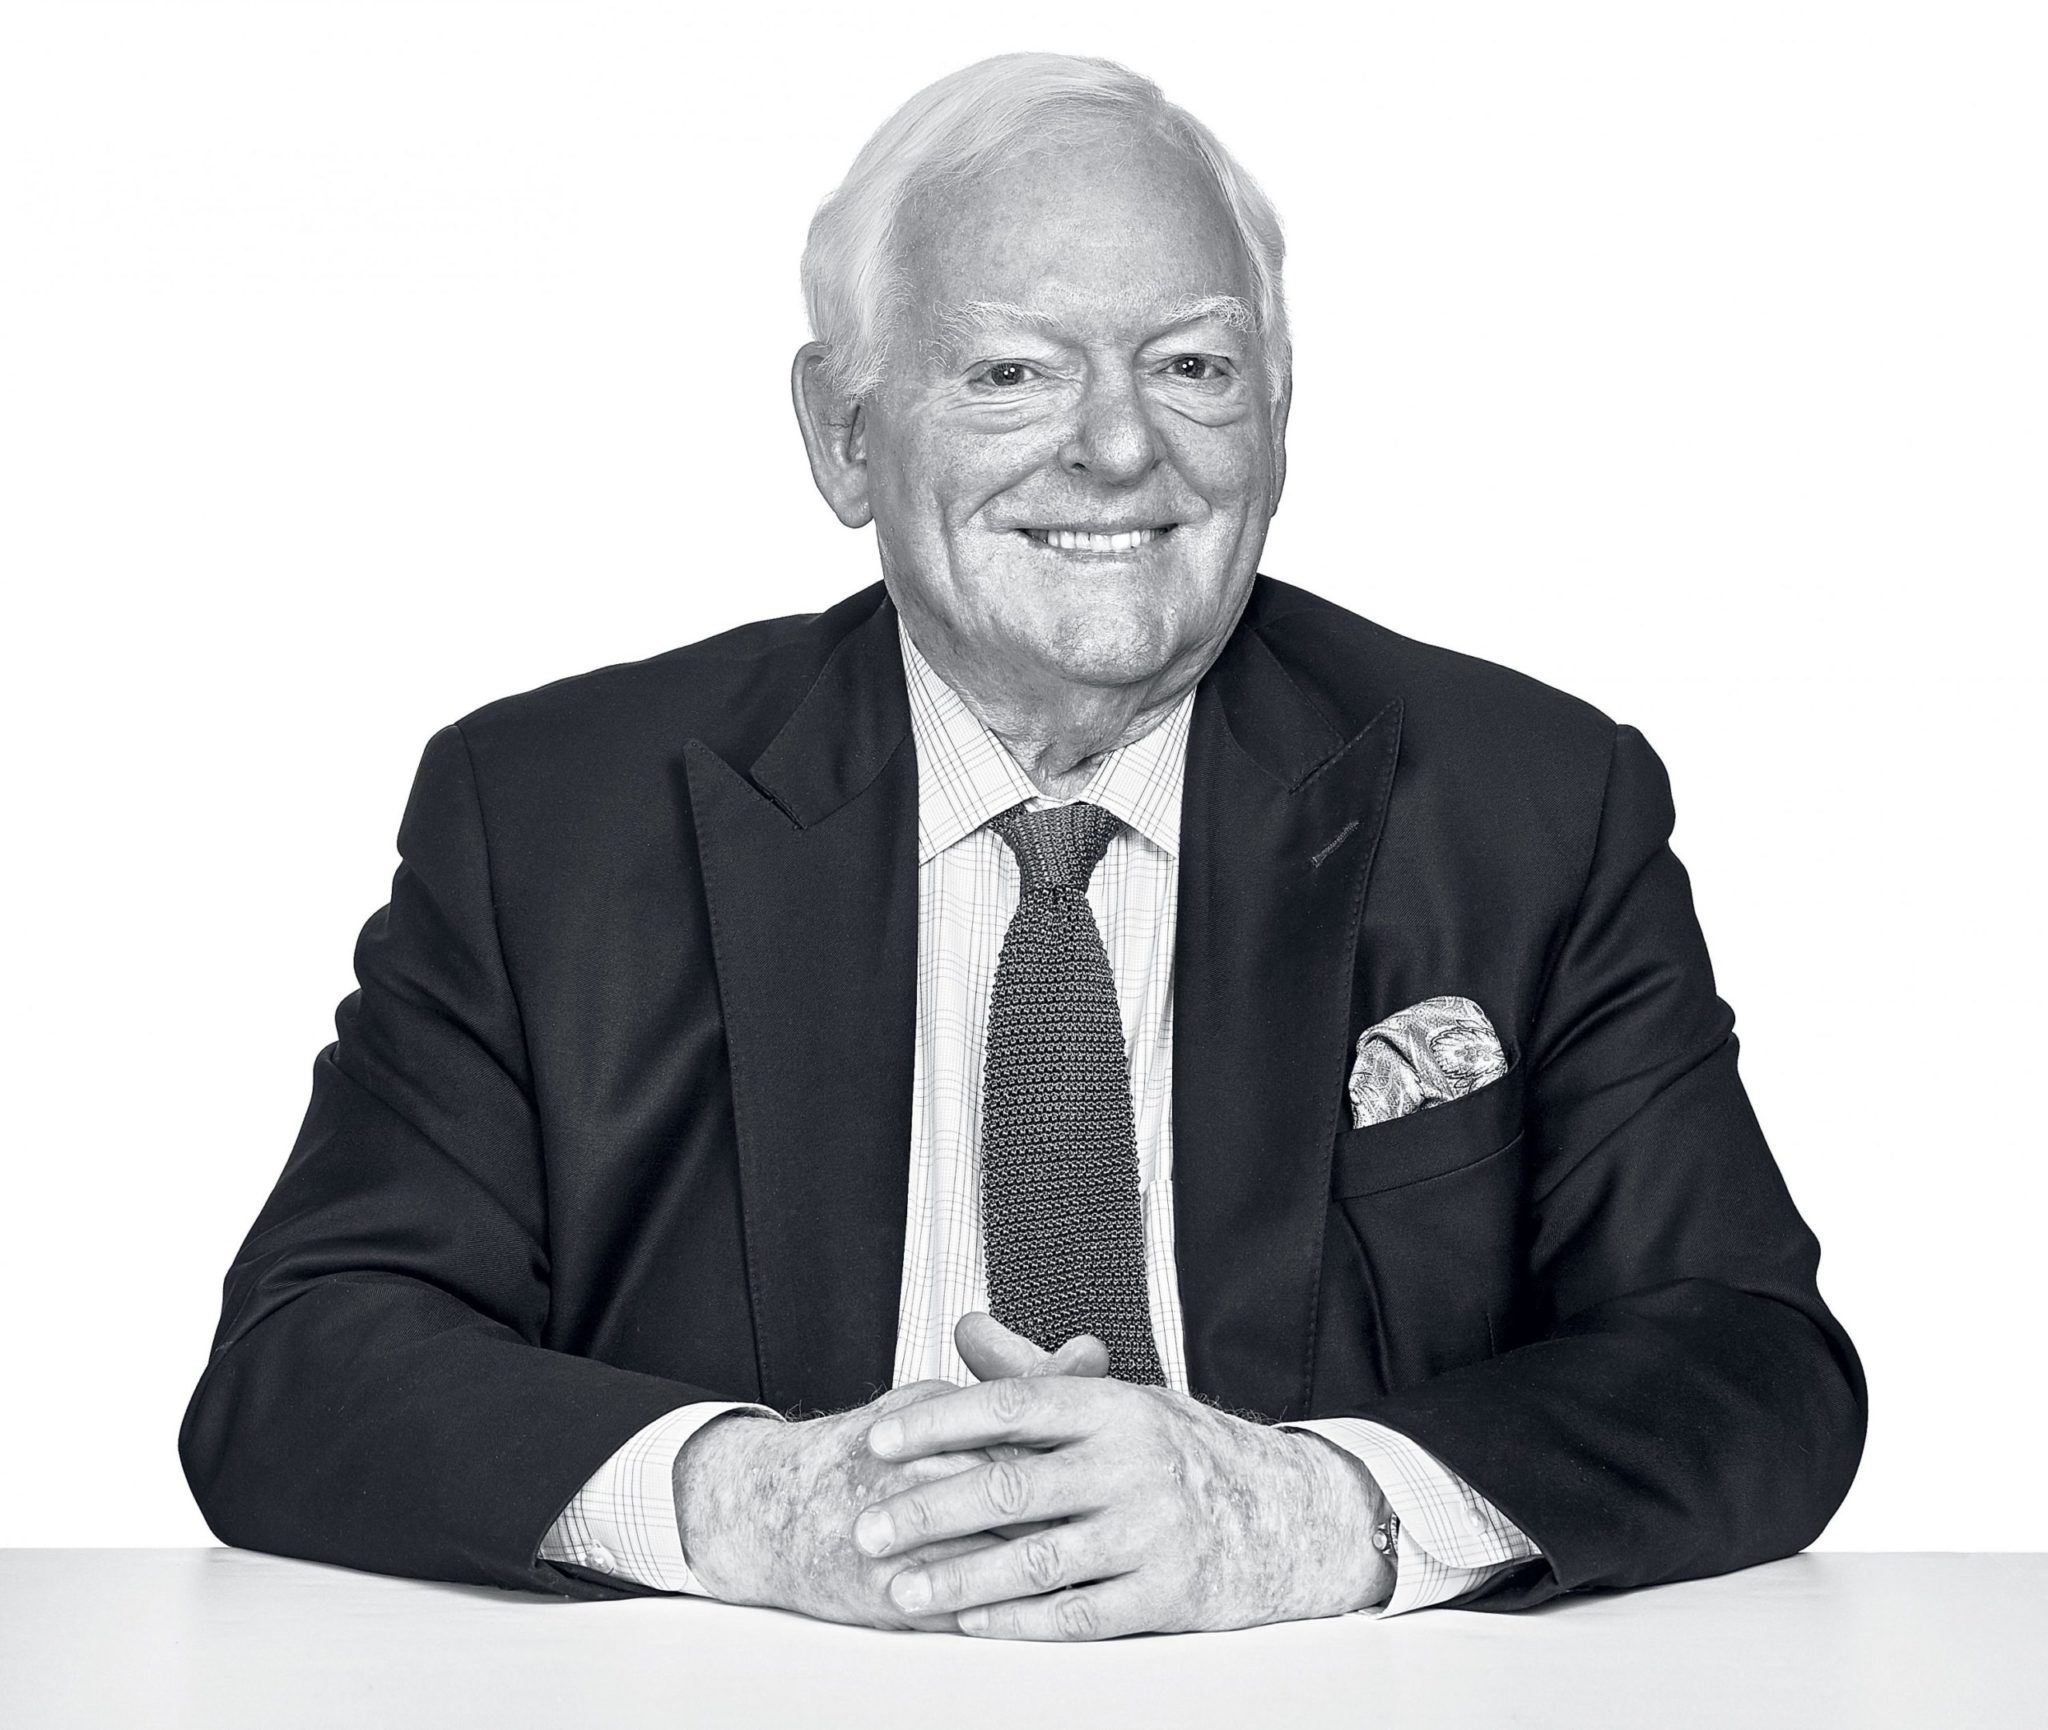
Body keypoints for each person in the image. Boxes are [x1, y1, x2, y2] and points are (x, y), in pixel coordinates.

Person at [180, 51, 1865, 1641]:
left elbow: (1752, 1358)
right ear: (844, 434)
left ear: (1280, 412)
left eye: (1192, 366)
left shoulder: (1534, 802)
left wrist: (1305, 1512)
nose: (1119, 446)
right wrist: (759, 1501)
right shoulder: (548, 816)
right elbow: (301, 1363)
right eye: (1013, 372)